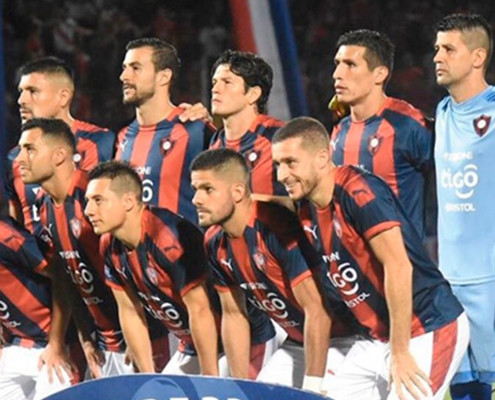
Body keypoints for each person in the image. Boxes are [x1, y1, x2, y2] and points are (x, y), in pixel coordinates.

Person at [272, 117, 469, 400]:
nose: (282, 175)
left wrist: (400, 352)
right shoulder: (308, 203)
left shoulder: (358, 191)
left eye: (291, 162)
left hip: (426, 327)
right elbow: (272, 205)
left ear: (322, 158)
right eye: (278, 164)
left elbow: (398, 266)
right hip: (376, 339)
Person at [84, 160, 279, 378]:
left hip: (244, 341)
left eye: (98, 200)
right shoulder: (109, 245)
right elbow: (129, 311)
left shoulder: (168, 237)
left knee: (217, 392)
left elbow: (201, 311)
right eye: (88, 201)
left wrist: (209, 378)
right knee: (156, 393)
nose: (88, 210)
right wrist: (148, 377)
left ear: (128, 201)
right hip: (193, 343)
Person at [191, 148, 360, 394]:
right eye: (195, 189)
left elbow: (318, 311)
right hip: (298, 341)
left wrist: (312, 387)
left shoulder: (276, 228)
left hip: (342, 339)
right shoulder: (214, 242)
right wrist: (238, 387)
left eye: (207, 189)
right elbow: (234, 314)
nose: (196, 199)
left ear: (238, 192)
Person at [15, 118, 136, 378]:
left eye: (29, 149)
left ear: (59, 155)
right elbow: (68, 276)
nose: (19, 159)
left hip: (140, 337)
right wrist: (86, 335)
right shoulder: (45, 206)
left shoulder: (92, 196)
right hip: (104, 342)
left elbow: (133, 262)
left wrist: (139, 334)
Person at [433, 13, 495, 400]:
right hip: (450, 282)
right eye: (437, 48)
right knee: (465, 391)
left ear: (477, 57)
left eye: (448, 49)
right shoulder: (442, 112)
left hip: (491, 280)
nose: (437, 56)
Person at [330, 30, 433, 239]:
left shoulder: (408, 125)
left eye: (350, 65)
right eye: (337, 63)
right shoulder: (340, 131)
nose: (337, 74)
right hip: (355, 258)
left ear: (379, 74)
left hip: (404, 256)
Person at [6, 56, 115, 234]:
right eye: (21, 91)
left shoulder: (100, 142)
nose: (21, 100)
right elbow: (17, 230)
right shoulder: (15, 157)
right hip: (38, 252)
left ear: (63, 97)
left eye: (33, 91)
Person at [115, 37, 215, 224]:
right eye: (124, 68)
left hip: (184, 242)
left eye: (135, 68)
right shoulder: (122, 136)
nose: (124, 77)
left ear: (163, 77)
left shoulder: (195, 130)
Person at [0, 214, 72, 400]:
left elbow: (62, 275)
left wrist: (56, 344)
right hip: (15, 344)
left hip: (52, 345)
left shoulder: (6, 235)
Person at [209, 50, 286, 196]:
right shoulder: (214, 142)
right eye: (214, 82)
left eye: (227, 82)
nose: (215, 89)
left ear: (253, 94)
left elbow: (306, 199)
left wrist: (252, 204)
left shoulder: (278, 137)